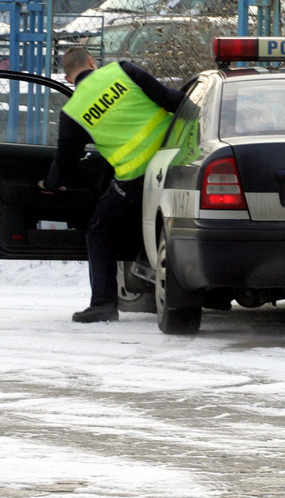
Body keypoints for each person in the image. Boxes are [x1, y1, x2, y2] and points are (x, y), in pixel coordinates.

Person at [41, 47, 199, 323]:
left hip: (137, 178)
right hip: (177, 158)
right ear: (92, 61)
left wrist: (51, 183)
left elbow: (65, 160)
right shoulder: (123, 70)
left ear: (68, 79)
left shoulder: (72, 112)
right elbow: (172, 100)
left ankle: (103, 304)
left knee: (99, 228)